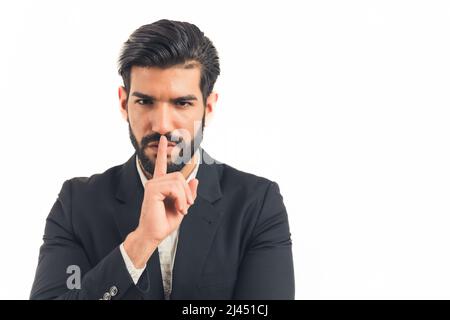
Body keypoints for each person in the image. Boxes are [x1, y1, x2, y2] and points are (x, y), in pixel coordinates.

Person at [30, 19, 294, 300]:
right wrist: (139, 244)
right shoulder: (77, 204)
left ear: (209, 107)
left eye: (182, 103)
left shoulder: (257, 204)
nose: (162, 125)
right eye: (145, 102)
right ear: (124, 104)